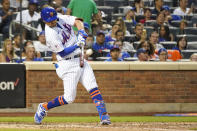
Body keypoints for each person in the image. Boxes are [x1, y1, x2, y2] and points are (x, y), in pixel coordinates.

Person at [34, 7, 111, 125]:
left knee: (93, 87)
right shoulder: (50, 35)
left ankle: (104, 116)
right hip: (67, 64)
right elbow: (63, 52)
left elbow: (77, 21)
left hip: (80, 59)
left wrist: (81, 32)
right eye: (50, 20)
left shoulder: (59, 18)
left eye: (54, 19)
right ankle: (44, 107)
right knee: (69, 98)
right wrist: (77, 45)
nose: (53, 21)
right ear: (44, 20)